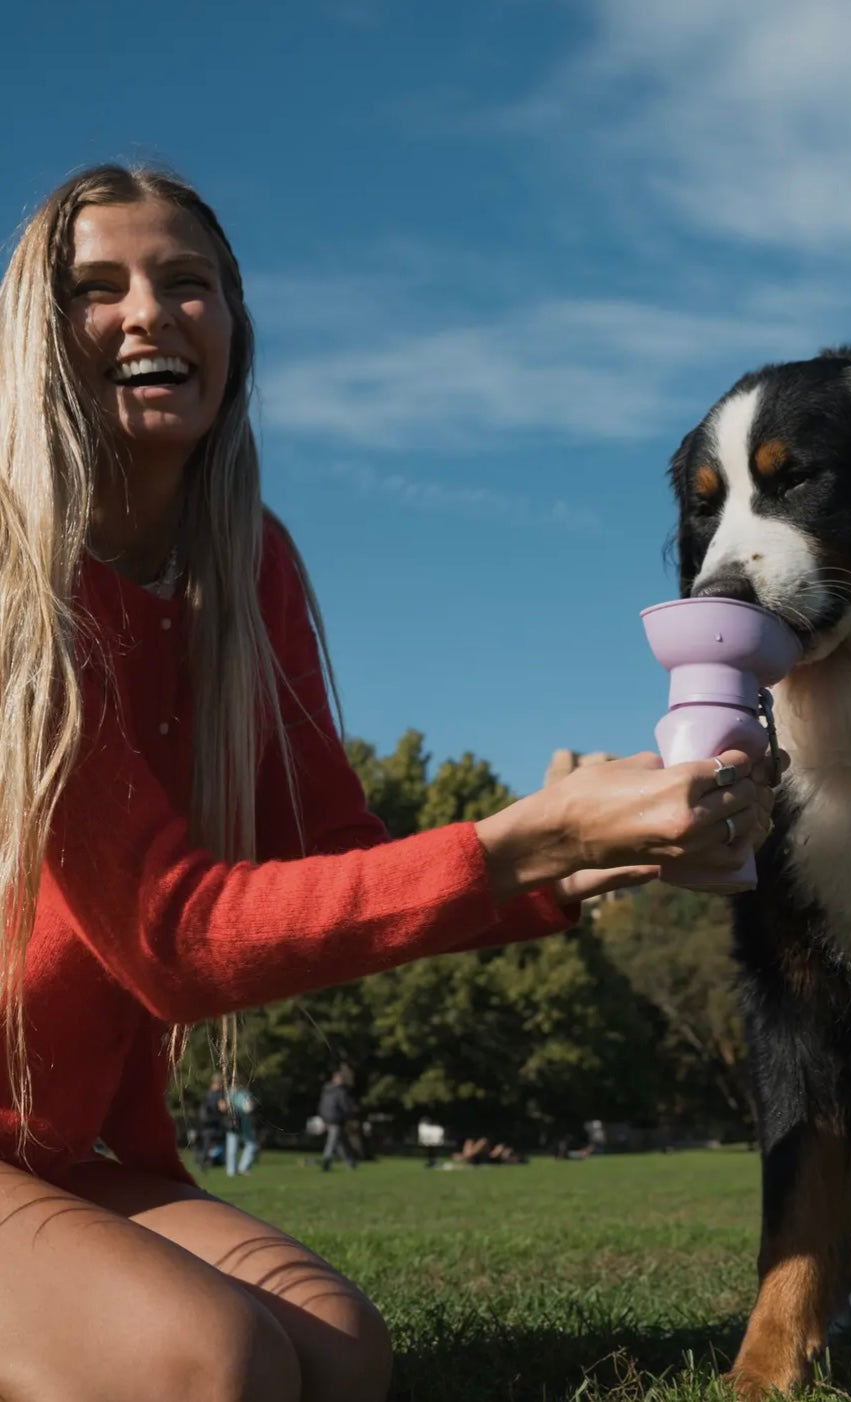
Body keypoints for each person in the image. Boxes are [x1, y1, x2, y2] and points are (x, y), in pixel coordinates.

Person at [0, 164, 776, 1402]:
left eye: (185, 282)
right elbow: (175, 940)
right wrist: (519, 843)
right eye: (100, 290)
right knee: (218, 1364)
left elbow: (329, 856)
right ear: (42, 339)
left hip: (68, 1145)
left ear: (234, 329)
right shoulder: (17, 580)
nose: (149, 314)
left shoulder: (248, 567)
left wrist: (576, 854)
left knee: (339, 1355)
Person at [318, 1069, 358, 1171]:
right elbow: (344, 1106)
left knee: (340, 1142)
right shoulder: (340, 1092)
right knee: (332, 1142)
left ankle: (349, 1162)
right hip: (335, 1119)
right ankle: (327, 1160)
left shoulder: (327, 1091)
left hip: (331, 1119)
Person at [224, 1081, 259, 1177]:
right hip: (235, 1125)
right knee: (233, 1149)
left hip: (244, 1125)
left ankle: (241, 1168)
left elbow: (249, 1108)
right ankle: (233, 1170)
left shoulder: (245, 1094)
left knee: (250, 1145)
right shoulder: (230, 1094)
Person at [195, 1074, 227, 1171]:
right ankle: (209, 1161)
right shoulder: (220, 1095)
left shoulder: (207, 1094)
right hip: (215, 1123)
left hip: (205, 1124)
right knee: (213, 1143)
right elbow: (223, 1109)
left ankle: (204, 1161)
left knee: (206, 1144)